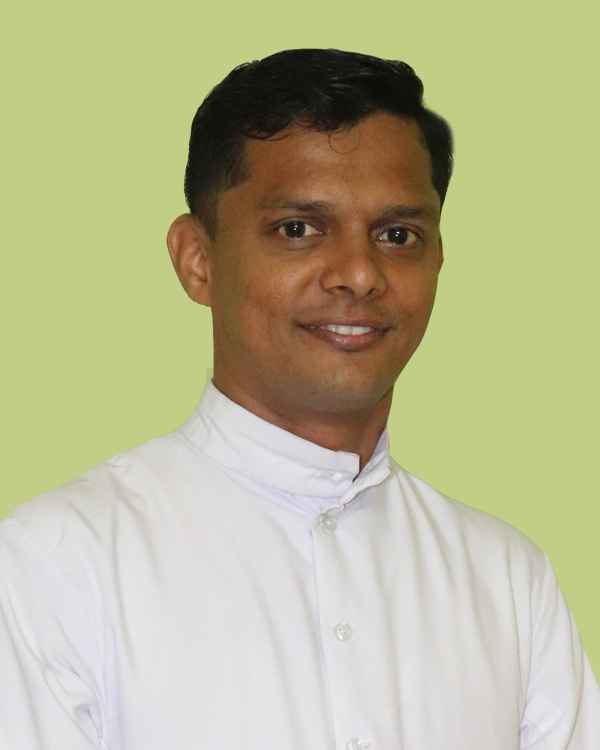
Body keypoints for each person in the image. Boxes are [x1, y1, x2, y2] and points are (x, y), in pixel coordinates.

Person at [0, 48, 598, 750]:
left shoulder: (506, 581)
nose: (359, 274)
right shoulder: (57, 565)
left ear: (438, 258)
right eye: (298, 229)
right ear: (197, 259)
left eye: (398, 235)